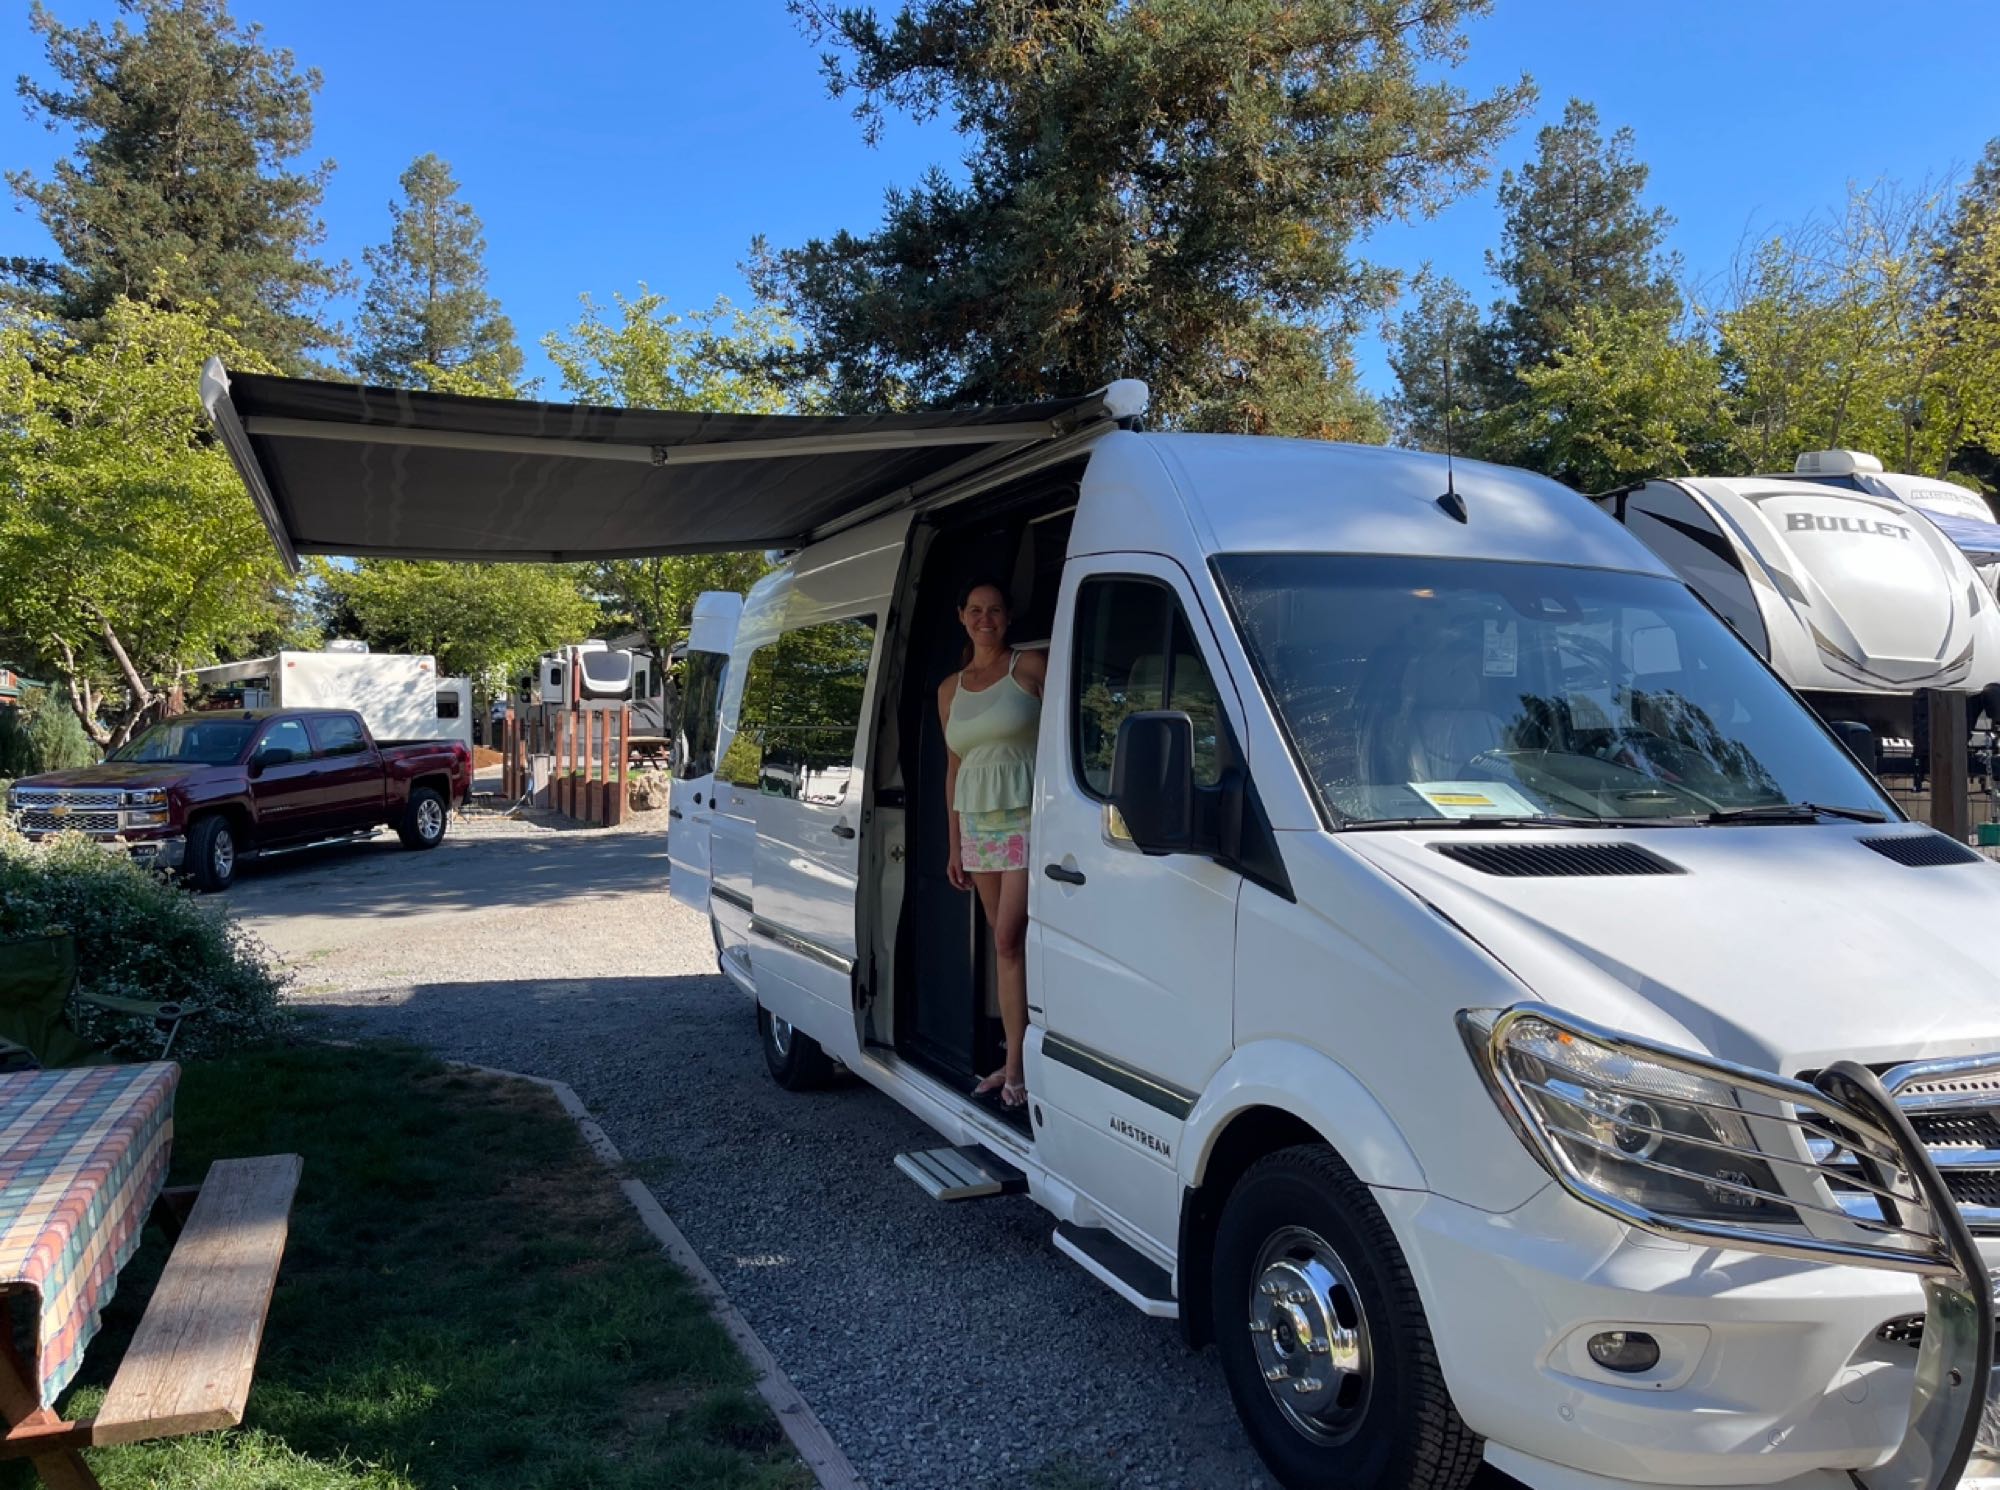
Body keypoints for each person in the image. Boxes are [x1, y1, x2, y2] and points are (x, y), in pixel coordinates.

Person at [938, 578, 1046, 1108]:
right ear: (962, 616)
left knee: (1008, 940)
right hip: (978, 824)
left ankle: (1019, 1069)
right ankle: (1012, 1064)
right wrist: (954, 843)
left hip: (1029, 818)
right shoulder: (950, 689)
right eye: (976, 609)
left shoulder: (1029, 666)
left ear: (1008, 617)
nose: (986, 619)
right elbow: (954, 766)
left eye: (996, 610)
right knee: (1008, 950)